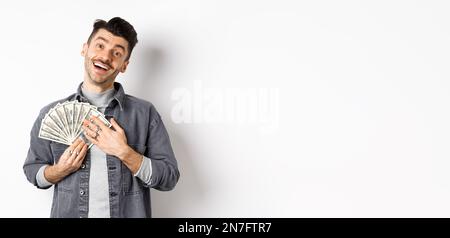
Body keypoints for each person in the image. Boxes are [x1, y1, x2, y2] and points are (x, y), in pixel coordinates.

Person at [23, 17, 180, 218]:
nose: (105, 57)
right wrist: (59, 170)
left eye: (116, 53)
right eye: (100, 46)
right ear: (85, 49)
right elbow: (32, 170)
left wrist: (124, 152)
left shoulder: (145, 114)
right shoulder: (49, 113)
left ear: (124, 65)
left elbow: (169, 178)